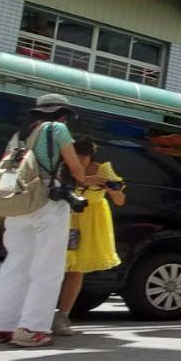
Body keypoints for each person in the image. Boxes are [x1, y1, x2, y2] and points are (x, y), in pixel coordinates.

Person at [0, 94, 88, 348]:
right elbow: (75, 169)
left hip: (17, 206)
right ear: (62, 115)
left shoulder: (18, 136)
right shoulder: (58, 129)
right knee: (47, 268)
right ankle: (31, 328)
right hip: (47, 204)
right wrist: (81, 179)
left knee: (15, 265)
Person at [54, 138, 126, 335]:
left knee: (77, 270)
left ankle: (62, 316)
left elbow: (120, 200)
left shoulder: (103, 169)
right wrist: (85, 180)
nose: (78, 161)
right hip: (64, 219)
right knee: (53, 267)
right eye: (75, 156)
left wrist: (112, 189)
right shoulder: (61, 168)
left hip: (90, 224)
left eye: (83, 157)